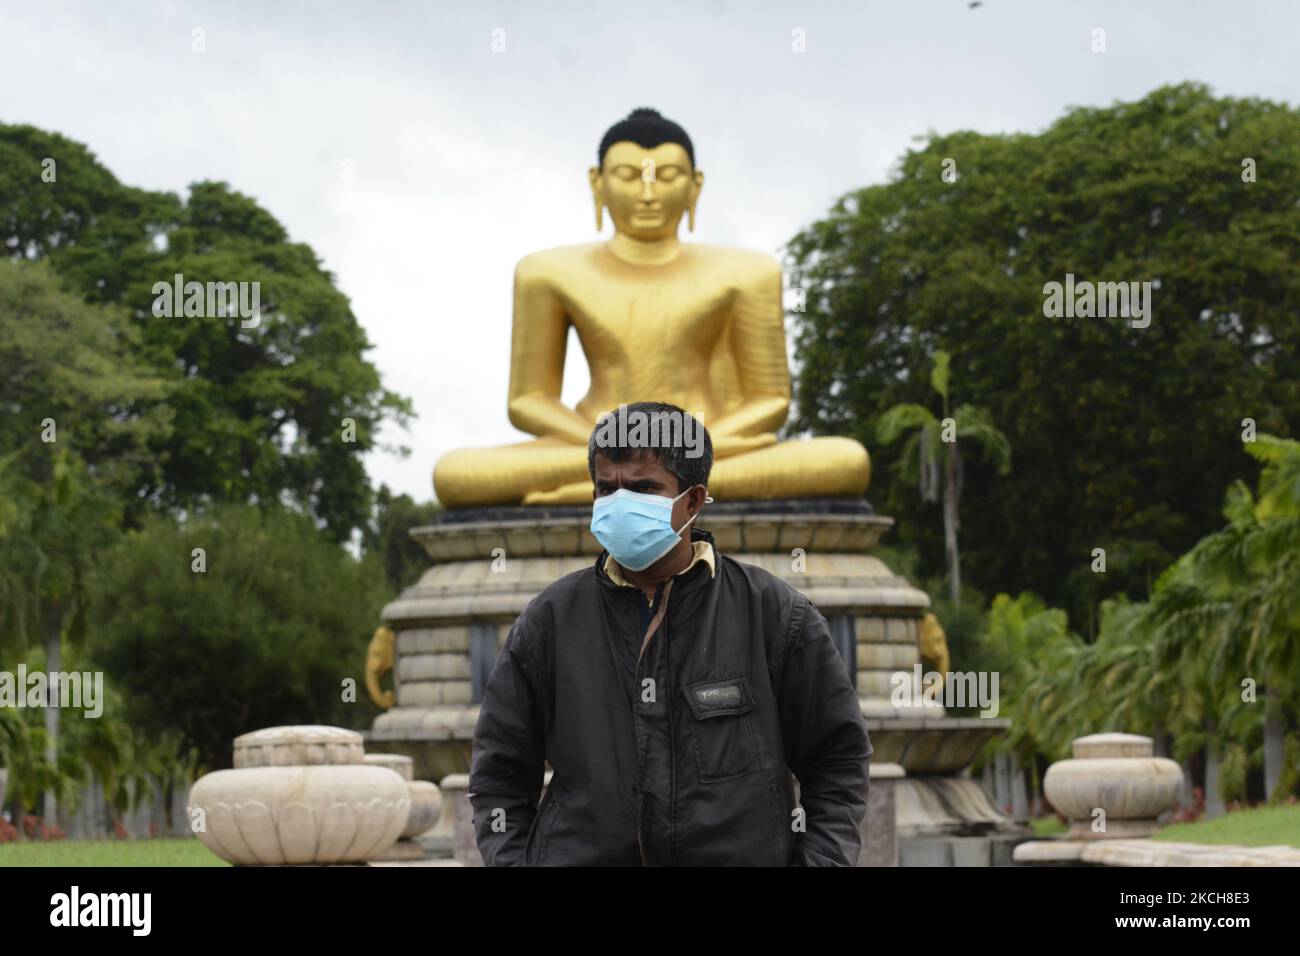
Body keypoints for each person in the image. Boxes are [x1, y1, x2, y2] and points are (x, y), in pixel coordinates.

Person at [468, 400, 873, 865]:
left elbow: (839, 760)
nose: (620, 504)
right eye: (606, 489)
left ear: (694, 501)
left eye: (643, 488)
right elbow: (497, 774)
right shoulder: (549, 621)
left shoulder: (775, 614)